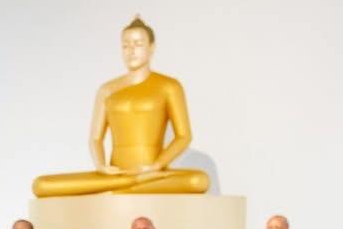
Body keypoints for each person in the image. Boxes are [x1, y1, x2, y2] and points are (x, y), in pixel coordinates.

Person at [30, 16, 211, 197]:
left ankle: (120, 186)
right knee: (42, 185)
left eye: (138, 44)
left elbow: (184, 136)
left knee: (198, 180)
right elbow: (95, 139)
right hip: (114, 174)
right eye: (125, 46)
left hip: (154, 172)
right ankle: (128, 183)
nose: (131, 51)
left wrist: (156, 165)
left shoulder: (169, 86)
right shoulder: (107, 89)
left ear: (151, 48)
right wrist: (101, 167)